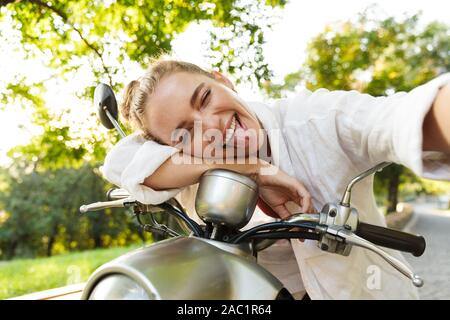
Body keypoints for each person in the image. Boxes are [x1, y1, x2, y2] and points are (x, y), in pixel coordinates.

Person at [102, 58, 450, 299]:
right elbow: (121, 163)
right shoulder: (187, 173)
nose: (211, 126)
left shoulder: (313, 120)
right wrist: (253, 169)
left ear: (222, 79)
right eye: (185, 131)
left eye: (206, 97)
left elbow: (395, 117)